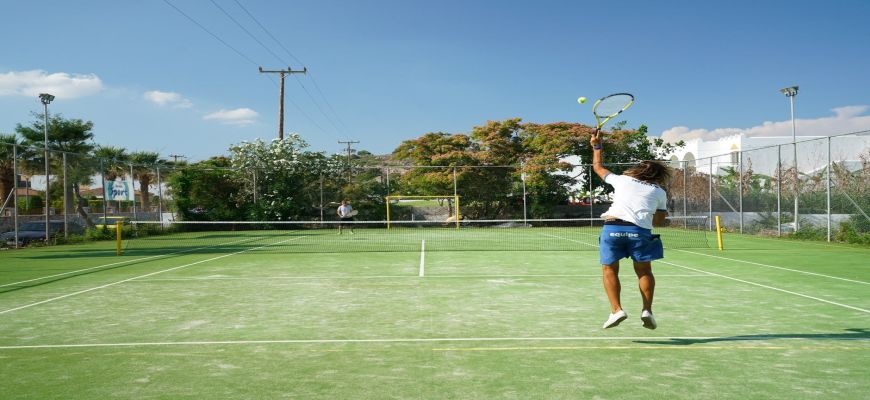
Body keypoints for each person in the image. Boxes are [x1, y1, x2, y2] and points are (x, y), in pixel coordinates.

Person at [590, 131, 672, 330]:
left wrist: (597, 146)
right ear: (658, 175)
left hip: (612, 229)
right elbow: (659, 221)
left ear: (638, 170)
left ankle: (616, 310)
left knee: (609, 269)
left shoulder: (622, 180)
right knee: (644, 271)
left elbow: (597, 167)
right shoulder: (660, 192)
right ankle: (647, 311)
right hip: (640, 232)